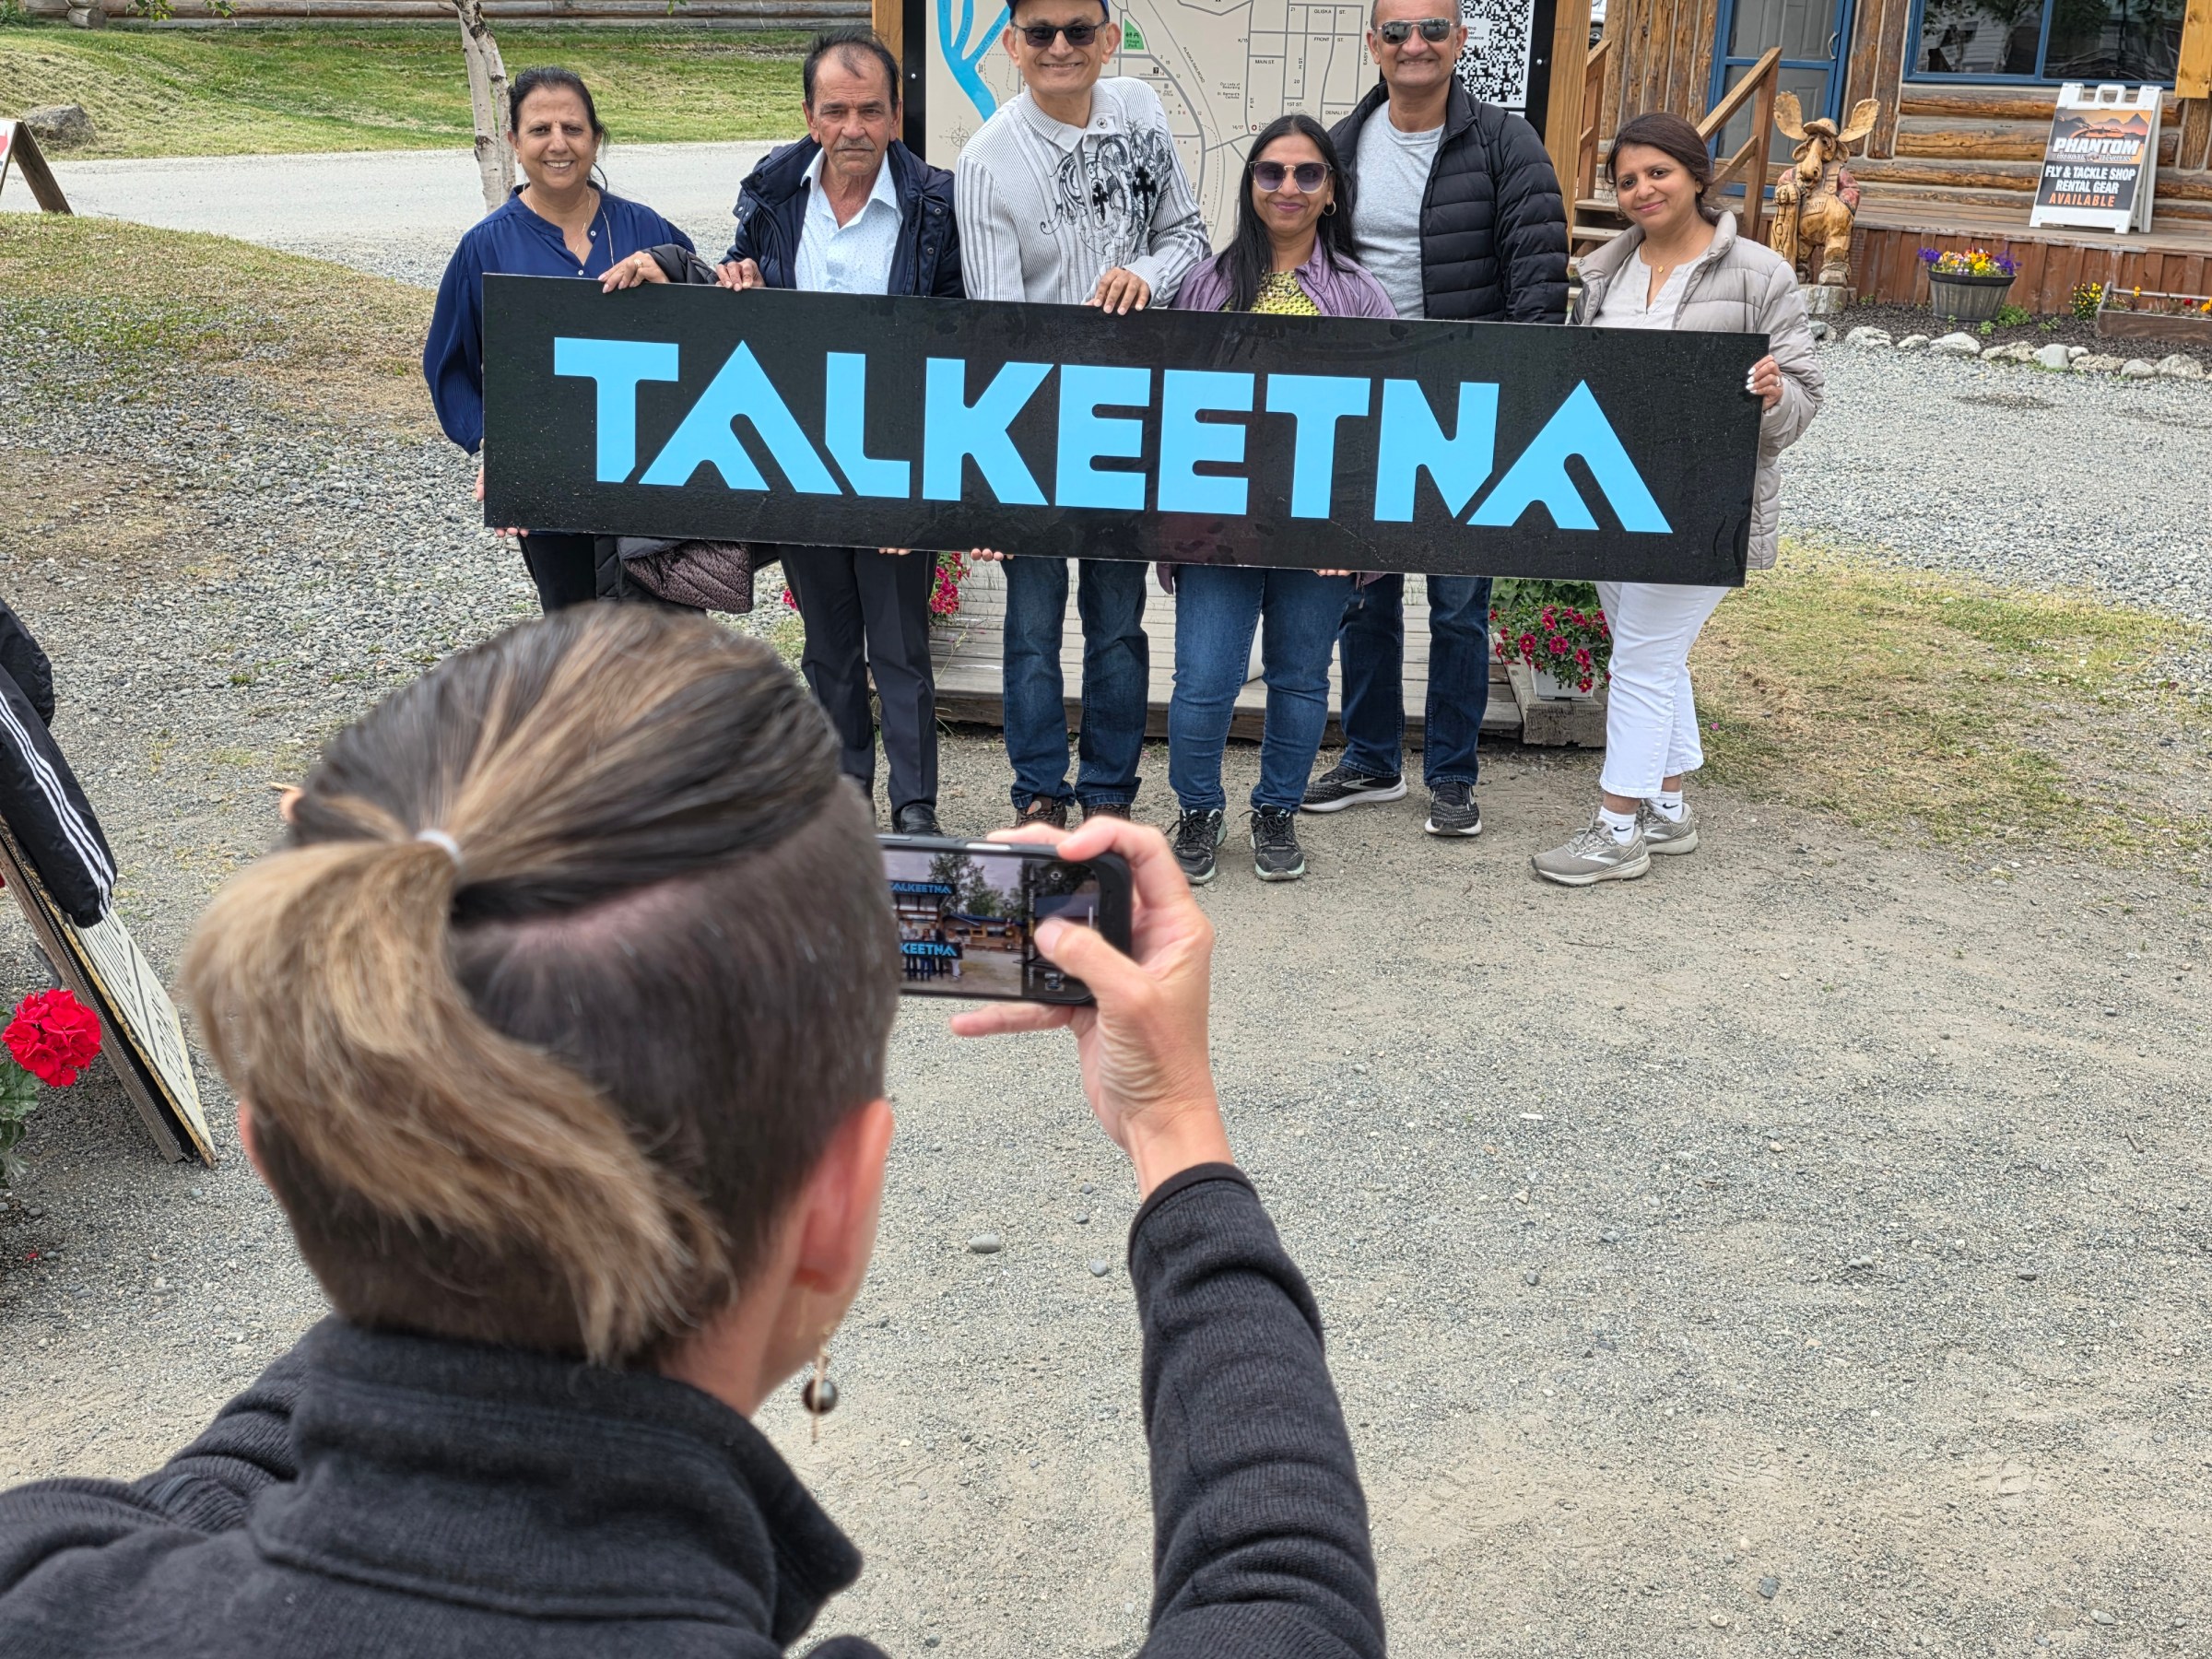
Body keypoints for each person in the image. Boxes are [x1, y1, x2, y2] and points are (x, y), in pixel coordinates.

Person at [0, 606, 1384, 1659]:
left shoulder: (48, 1578)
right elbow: (1279, 1599)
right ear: (837, 1209)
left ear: (271, 1150)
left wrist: (394, 1095)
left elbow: (202, 1503)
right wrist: (1173, 1132)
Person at [653, 28, 962, 836]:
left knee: (900, 645)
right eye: (836, 111)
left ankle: (916, 806)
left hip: (897, 457)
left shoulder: (937, 206)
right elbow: (739, 279)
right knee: (827, 644)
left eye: (870, 110)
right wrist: (737, 274)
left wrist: (934, 472)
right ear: (810, 115)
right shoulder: (773, 194)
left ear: (896, 115)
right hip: (801, 457)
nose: (854, 127)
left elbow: (965, 337)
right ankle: (842, 790)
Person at [1530, 112, 1821, 886]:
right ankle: (1667, 806)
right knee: (1649, 651)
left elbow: (1805, 398)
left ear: (1697, 174)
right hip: (1612, 495)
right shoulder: (1600, 273)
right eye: (1627, 180)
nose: (1641, 190)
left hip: (1702, 502)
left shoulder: (1761, 274)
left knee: (1644, 661)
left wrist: (1772, 396)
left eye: (1657, 172)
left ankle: (1617, 826)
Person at [1304, 0, 1569, 839]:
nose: (1413, 45)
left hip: (1467, 405)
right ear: (1372, 42)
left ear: (1459, 40)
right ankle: (1374, 760)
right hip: (1364, 403)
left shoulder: (1505, 144)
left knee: (1459, 603)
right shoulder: (1339, 148)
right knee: (1363, 596)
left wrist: (1520, 395)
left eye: (1430, 29)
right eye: (1396, 31)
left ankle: (1452, 773)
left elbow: (1539, 280)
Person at [954, 0, 1209, 830]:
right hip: (1036, 427)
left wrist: (1145, 273)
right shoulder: (988, 161)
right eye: (1040, 33)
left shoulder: (1142, 110)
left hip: (1129, 417)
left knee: (1118, 621)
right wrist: (995, 471)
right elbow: (997, 331)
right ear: (1012, 48)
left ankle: (1108, 787)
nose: (1060, 46)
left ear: (1109, 37)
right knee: (1032, 623)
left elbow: (1190, 238)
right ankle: (1037, 787)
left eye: (1077, 30)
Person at [1164, 115, 1391, 887]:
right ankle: (1197, 810)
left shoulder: (1361, 297)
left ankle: (1276, 809)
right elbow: (1171, 407)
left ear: (1331, 191)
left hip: (1318, 528)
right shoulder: (1205, 285)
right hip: (1216, 525)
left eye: (1307, 174)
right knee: (1203, 677)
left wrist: (1356, 538)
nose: (1288, 187)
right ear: (1250, 184)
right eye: (1271, 172)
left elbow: (1384, 423)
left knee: (1300, 676)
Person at [424, 67, 696, 615]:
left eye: (572, 128)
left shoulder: (648, 230)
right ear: (513, 143)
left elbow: (709, 327)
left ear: (596, 139)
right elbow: (449, 365)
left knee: (668, 642)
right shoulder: (485, 248)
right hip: (549, 478)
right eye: (540, 129)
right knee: (574, 631)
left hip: (652, 474)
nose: (558, 144)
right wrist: (496, 448)